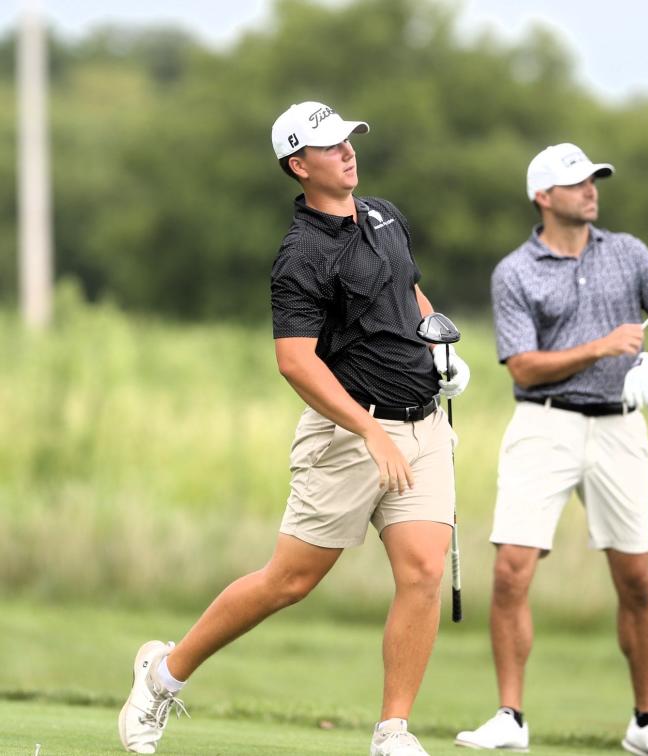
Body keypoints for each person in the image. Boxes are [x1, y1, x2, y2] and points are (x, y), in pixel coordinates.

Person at [117, 101, 471, 756]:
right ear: (298, 165)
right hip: (347, 439)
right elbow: (295, 361)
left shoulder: (385, 216)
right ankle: (163, 675)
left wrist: (441, 350)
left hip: (421, 429)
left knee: (422, 571)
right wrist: (367, 431)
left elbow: (409, 291)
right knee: (290, 581)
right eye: (330, 145)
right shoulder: (301, 255)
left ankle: (392, 732)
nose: (347, 151)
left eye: (348, 139)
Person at [455, 143, 648, 755]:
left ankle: (646, 723)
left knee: (637, 579)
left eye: (594, 180)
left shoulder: (630, 253)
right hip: (545, 423)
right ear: (543, 196)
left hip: (619, 426)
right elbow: (524, 368)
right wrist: (600, 347)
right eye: (577, 182)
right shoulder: (516, 270)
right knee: (512, 569)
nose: (591, 190)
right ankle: (510, 717)